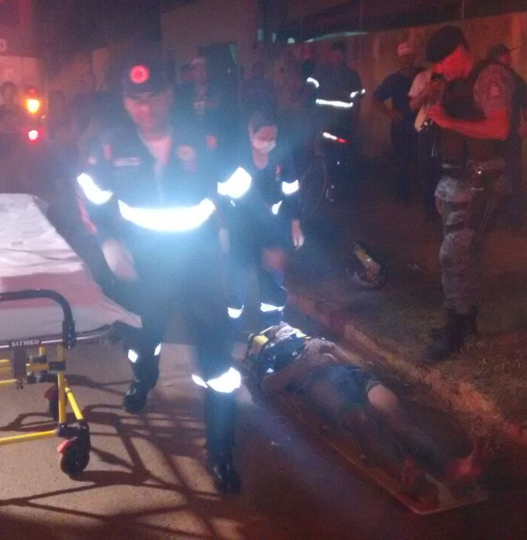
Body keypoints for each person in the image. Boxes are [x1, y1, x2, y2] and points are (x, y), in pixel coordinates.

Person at [76, 55, 241, 494]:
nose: (144, 108)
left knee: (218, 363)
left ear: (169, 95)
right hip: (145, 263)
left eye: (151, 97)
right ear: (124, 102)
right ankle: (143, 377)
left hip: (199, 262)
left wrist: (236, 239)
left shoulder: (205, 139)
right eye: (135, 100)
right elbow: (91, 197)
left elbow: (238, 191)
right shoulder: (110, 147)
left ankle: (221, 452)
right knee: (143, 337)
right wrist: (107, 241)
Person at [246, 323, 485, 503]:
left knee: (393, 412)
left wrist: (332, 348)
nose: (281, 328)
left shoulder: (305, 336)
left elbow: (357, 364)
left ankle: (453, 467)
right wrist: (303, 363)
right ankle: (401, 471)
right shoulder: (266, 350)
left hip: (352, 374)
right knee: (359, 419)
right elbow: (267, 386)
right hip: (317, 382)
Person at [420, 26, 516, 363]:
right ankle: (465, 321)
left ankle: (455, 328)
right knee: (465, 256)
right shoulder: (456, 84)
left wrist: (449, 123)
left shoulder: (490, 77)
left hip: (480, 182)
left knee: (454, 254)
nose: (440, 69)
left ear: (460, 50)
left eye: (443, 61)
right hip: (456, 181)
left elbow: (500, 128)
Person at [224, 111, 303, 330]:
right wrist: (271, 246)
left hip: (272, 227)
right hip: (242, 227)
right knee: (237, 278)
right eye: (263, 138)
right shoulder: (237, 157)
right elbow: (248, 202)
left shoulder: (282, 155)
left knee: (272, 282)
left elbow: (291, 190)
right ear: (251, 132)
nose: (267, 143)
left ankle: (272, 328)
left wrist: (295, 222)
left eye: (272, 138)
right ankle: (232, 327)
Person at [310, 42, 366, 199]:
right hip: (324, 123)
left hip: (343, 124)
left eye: (340, 54)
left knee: (342, 156)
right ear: (329, 56)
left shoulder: (352, 76)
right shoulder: (320, 72)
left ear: (344, 56)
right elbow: (309, 93)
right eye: (334, 54)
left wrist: (353, 123)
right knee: (325, 155)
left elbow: (357, 102)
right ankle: (326, 187)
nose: (337, 57)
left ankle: (340, 188)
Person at [487, 43, 527, 230]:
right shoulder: (486, 79)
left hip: (510, 135)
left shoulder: (514, 79)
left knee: (512, 174)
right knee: (492, 174)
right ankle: (494, 215)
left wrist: (526, 123)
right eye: (505, 55)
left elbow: (526, 105)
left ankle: (514, 218)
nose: (510, 59)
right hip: (489, 135)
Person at [373, 42, 420, 204]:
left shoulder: (422, 76)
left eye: (409, 56)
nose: (406, 60)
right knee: (401, 162)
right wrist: (389, 113)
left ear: (414, 57)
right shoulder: (393, 80)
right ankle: (402, 197)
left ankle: (421, 195)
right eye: (403, 57)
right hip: (401, 127)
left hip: (421, 125)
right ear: (399, 59)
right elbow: (376, 98)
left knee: (421, 161)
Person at [408, 68, 445, 219]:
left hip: (446, 130)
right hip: (425, 129)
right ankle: (429, 209)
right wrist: (426, 92)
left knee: (442, 170)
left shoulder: (454, 78)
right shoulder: (422, 77)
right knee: (426, 170)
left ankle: (443, 208)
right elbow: (412, 106)